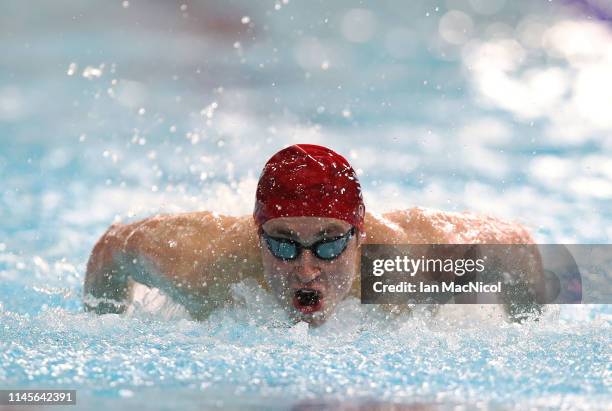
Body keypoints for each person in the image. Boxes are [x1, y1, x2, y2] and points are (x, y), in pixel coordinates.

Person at [84, 144, 543, 325]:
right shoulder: (206, 268)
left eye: (330, 244)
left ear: (360, 237)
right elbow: (110, 248)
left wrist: (527, 328)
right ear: (256, 234)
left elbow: (520, 245)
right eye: (282, 243)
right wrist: (99, 322)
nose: (306, 268)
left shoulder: (407, 262)